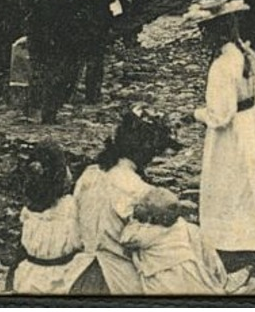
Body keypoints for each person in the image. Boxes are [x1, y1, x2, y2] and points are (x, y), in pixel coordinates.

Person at [192, 0, 255, 274]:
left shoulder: (221, 65)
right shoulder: (248, 55)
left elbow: (221, 115)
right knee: (253, 179)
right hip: (251, 124)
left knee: (229, 183)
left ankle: (233, 240)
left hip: (231, 133)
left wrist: (199, 113)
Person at [74, 108, 183, 295]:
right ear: (147, 150)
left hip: (78, 272)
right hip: (117, 279)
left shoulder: (89, 174)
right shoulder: (140, 190)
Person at [11, 141, 104, 295]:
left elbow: (22, 251)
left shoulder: (28, 211)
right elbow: (87, 241)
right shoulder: (71, 207)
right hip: (63, 277)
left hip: (28, 277)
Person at [120, 187, 247, 294]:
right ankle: (223, 280)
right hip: (193, 271)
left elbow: (125, 239)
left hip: (164, 280)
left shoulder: (144, 234)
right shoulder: (182, 225)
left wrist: (134, 220)